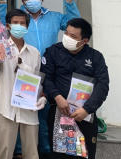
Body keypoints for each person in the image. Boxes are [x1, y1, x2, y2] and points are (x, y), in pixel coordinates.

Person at [0, 0, 81, 154]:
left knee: (40, 112)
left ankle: (45, 150)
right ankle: (18, 151)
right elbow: (0, 26)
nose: (33, 1)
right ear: (23, 1)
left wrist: (70, 4)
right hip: (17, 67)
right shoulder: (18, 18)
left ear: (42, 0)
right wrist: (2, 4)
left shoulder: (54, 17)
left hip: (46, 68)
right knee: (16, 110)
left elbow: (73, 26)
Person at [41, 18, 109, 159]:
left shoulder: (95, 57)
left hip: (84, 116)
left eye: (73, 36)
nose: (67, 37)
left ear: (84, 41)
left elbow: (102, 86)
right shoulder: (53, 52)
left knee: (84, 154)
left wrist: (86, 109)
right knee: (59, 155)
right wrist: (57, 96)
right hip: (59, 114)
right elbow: (46, 78)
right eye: (66, 33)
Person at [0, 9, 46, 159]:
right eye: (15, 23)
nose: (19, 26)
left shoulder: (34, 52)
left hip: (29, 109)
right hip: (5, 108)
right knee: (4, 153)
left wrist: (42, 97)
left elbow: (38, 80)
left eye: (22, 23)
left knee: (32, 154)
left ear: (27, 27)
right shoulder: (2, 46)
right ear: (8, 26)